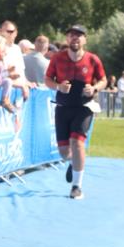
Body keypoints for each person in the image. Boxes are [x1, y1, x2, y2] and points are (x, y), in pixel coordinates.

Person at [44, 24, 107, 200]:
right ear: (67, 39)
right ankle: (73, 163)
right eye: (71, 35)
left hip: (84, 107)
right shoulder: (57, 58)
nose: (75, 38)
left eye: (79, 35)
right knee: (64, 151)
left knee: (77, 142)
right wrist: (58, 86)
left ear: (85, 39)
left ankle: (76, 186)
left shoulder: (93, 59)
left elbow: (103, 80)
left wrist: (94, 88)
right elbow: (47, 79)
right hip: (63, 107)